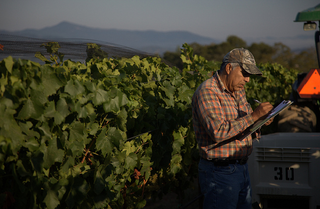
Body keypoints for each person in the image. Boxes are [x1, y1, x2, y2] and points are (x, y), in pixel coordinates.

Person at [192, 48, 274, 209]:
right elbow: (218, 131)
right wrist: (254, 116)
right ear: (229, 68)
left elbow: (244, 124)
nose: (247, 80)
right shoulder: (207, 92)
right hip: (219, 173)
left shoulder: (238, 90)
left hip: (241, 168)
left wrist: (262, 120)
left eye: (249, 75)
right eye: (245, 73)